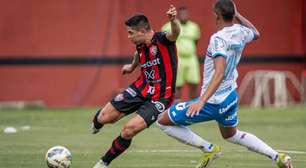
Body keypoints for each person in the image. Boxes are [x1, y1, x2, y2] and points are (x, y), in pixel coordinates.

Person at [157, 1, 292, 168]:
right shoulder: (241, 31)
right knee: (231, 135)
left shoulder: (218, 38)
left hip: (213, 101)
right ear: (232, 14)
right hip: (230, 97)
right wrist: (238, 15)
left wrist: (201, 101)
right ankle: (277, 157)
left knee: (162, 120)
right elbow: (256, 33)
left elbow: (219, 72)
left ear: (217, 16)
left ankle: (209, 149)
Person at [91, 5, 180, 168]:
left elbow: (175, 33)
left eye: (131, 33)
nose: (128, 36)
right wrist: (132, 67)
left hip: (161, 96)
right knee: (104, 117)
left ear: (143, 31)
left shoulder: (162, 39)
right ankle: (96, 123)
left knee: (128, 130)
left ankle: (103, 162)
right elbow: (137, 54)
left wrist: (173, 21)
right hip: (141, 87)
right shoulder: (140, 44)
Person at [162, 6, 201, 100]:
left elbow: (196, 41)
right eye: (181, 14)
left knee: (194, 83)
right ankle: (175, 106)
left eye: (185, 13)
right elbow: (164, 42)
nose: (184, 15)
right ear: (177, 15)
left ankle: (194, 106)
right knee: (176, 84)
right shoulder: (168, 26)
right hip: (177, 58)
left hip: (191, 58)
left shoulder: (194, 27)